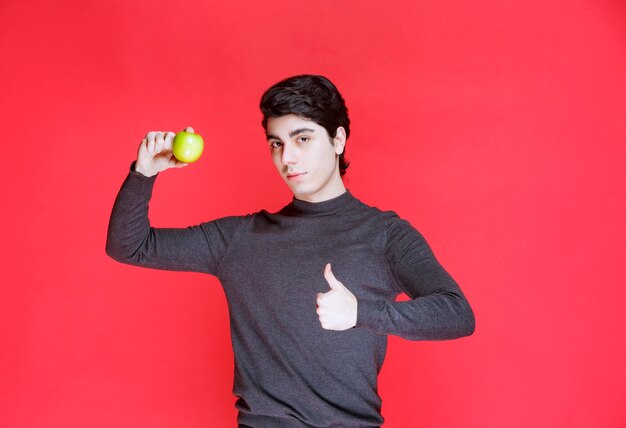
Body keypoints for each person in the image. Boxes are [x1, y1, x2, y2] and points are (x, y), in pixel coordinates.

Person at [106, 74, 475, 427]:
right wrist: (144, 174)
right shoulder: (240, 238)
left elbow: (457, 314)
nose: (287, 159)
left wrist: (363, 312)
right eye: (277, 143)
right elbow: (130, 246)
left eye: (302, 139)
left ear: (338, 140)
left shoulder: (385, 235)